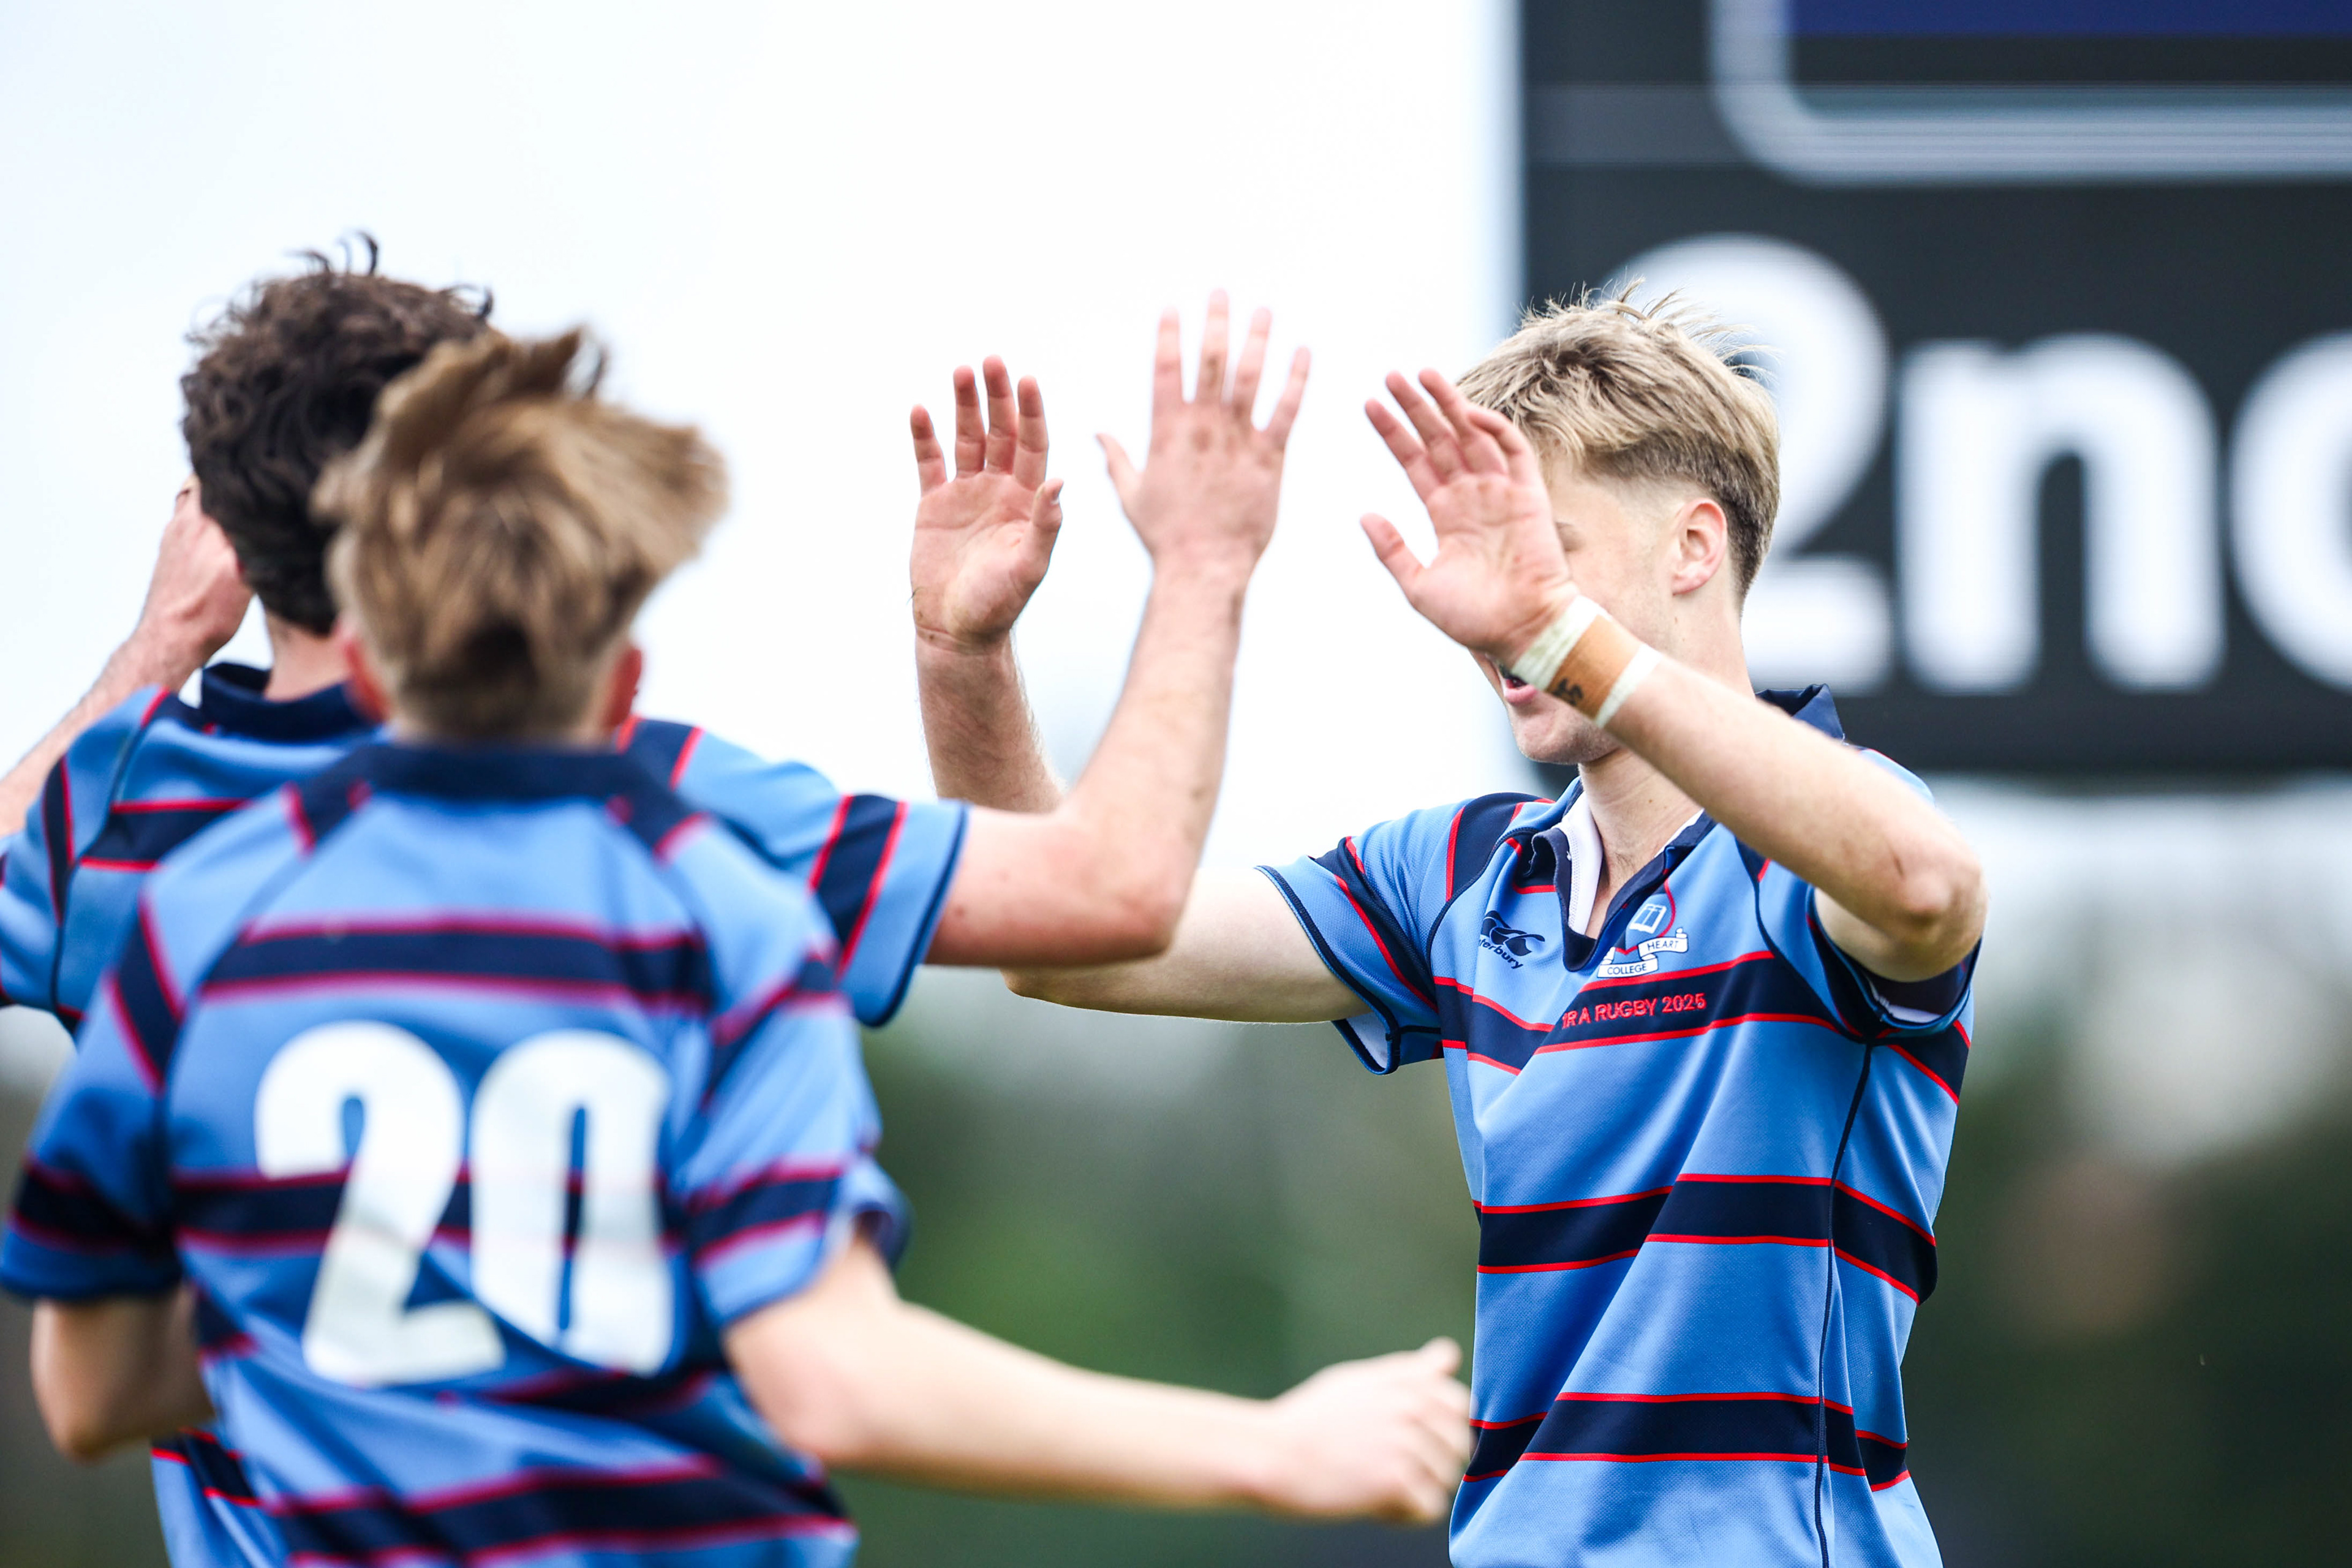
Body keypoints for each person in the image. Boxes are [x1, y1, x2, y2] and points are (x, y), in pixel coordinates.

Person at [0, 330, 1471, 1567]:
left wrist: (372, 1282)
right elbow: (835, 1369)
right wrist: (1272, 1443)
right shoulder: (711, 897)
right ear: (624, 682)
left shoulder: (189, 913)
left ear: (374, 664)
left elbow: (92, 1388)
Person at [915, 293, 1988, 1568]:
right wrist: (963, 655)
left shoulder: (1821, 843)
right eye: (1476, 557)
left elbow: (1923, 884)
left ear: (1694, 548)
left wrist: (1563, 638)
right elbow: (1060, 942)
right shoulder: (1462, 874)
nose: (1488, 609)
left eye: (1541, 551)